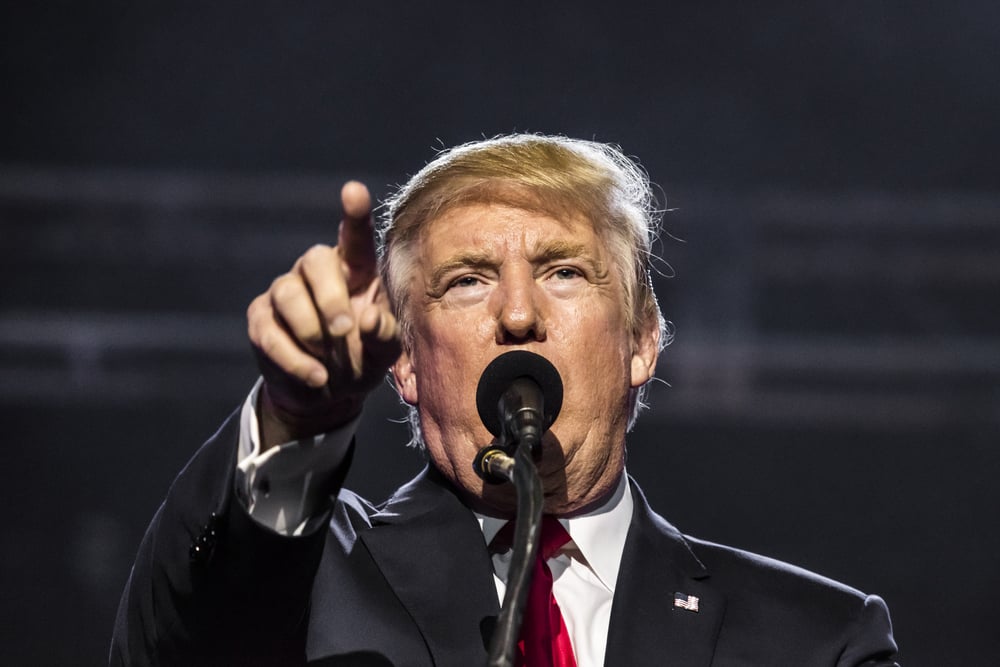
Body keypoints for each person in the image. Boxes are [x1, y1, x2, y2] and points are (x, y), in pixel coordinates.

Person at [111, 135, 899, 666]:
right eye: (467, 279)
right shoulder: (314, 579)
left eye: (564, 271)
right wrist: (294, 418)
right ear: (407, 363)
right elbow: (180, 636)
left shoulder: (816, 639)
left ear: (642, 340)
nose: (518, 314)